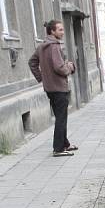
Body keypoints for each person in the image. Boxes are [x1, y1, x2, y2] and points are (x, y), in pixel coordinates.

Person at [28, 20, 77, 157]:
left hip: (50, 88)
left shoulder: (42, 46)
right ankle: (58, 149)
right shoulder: (54, 46)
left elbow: (32, 62)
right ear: (52, 32)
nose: (62, 32)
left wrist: (42, 78)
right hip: (59, 88)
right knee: (61, 118)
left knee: (60, 116)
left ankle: (65, 143)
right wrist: (70, 67)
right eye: (60, 30)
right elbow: (59, 67)